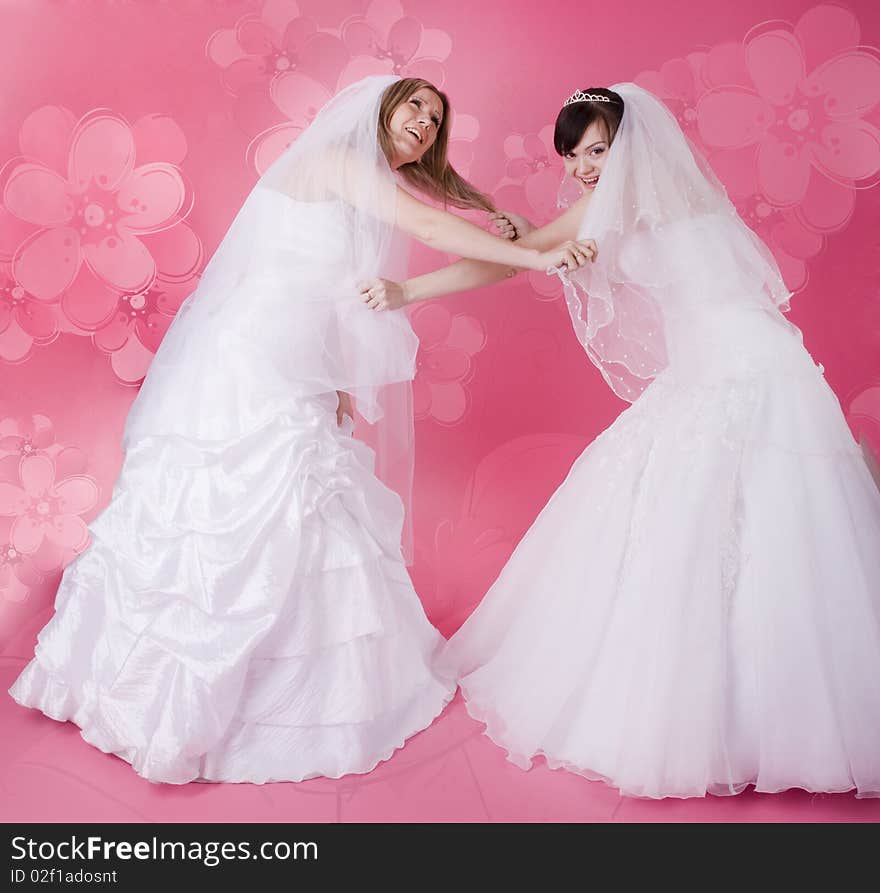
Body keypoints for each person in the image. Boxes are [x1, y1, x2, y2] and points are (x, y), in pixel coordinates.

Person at [8, 74, 593, 785]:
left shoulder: (362, 183)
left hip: (287, 356)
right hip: (250, 359)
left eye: (436, 119)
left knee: (300, 505)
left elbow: (326, 284)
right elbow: (430, 228)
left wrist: (335, 376)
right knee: (249, 505)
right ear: (380, 106)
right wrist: (533, 256)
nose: (425, 122)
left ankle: (293, 687)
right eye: (416, 105)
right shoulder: (340, 162)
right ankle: (188, 693)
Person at [362, 84, 880, 799]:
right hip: (706, 370)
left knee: (760, 527)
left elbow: (533, 250)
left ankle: (764, 719)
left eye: (598, 149)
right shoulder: (619, 199)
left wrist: (502, 247)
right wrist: (427, 283)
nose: (584, 167)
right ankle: (736, 711)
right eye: (573, 154)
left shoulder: (641, 195)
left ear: (632, 144)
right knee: (702, 525)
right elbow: (528, 251)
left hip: (750, 372)